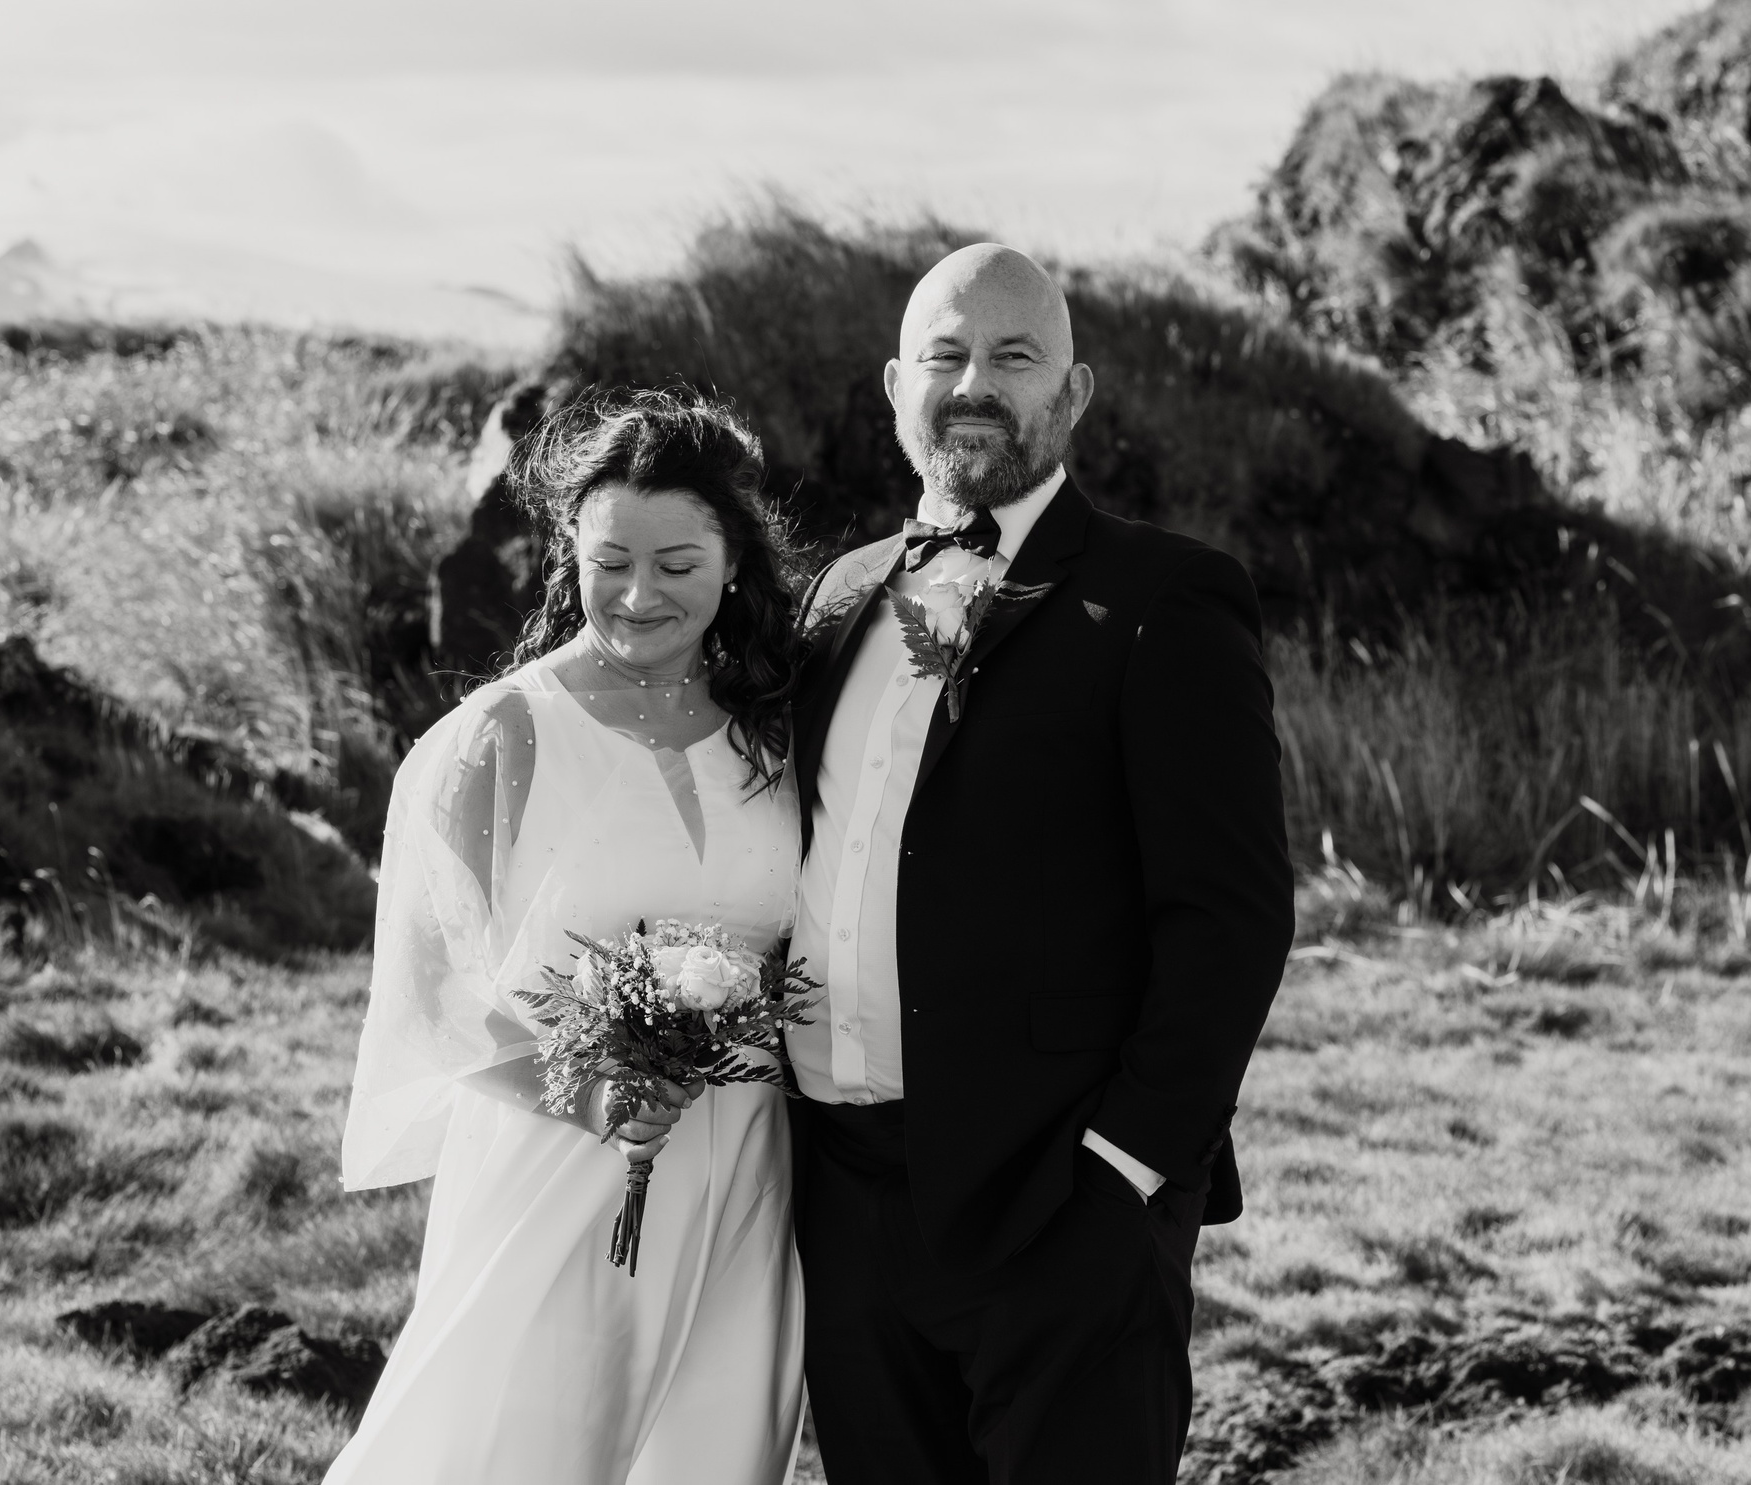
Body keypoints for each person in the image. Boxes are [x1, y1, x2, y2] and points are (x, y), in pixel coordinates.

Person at [786, 243, 1294, 1484]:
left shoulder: (1166, 598)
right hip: (840, 1206)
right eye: (948, 354)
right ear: (895, 385)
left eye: (1014, 356)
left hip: (1058, 1202)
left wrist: (1122, 1172)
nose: (975, 381)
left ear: (1070, 397)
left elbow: (1229, 917)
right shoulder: (835, 596)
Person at [326, 387, 810, 1485]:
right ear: (567, 551)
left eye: (678, 565)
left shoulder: (774, 730)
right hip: (559, 1168)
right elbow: (435, 993)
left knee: (713, 1446)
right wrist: (591, 1092)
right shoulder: (498, 736)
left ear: (734, 560)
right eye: (610, 560)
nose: (639, 595)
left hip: (745, 1166)